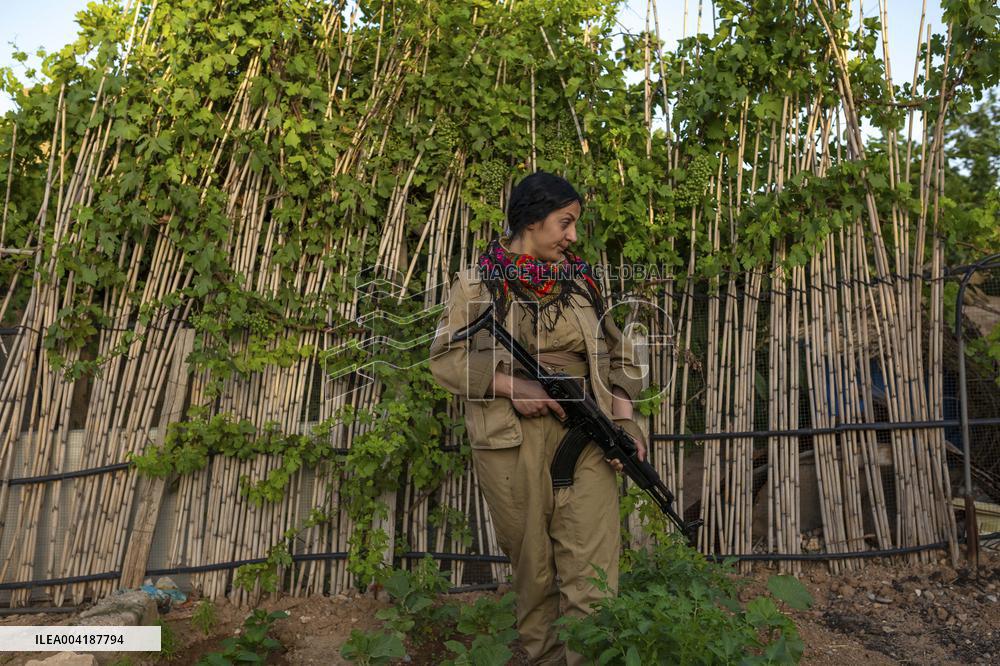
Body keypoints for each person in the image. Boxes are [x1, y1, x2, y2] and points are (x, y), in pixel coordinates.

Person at [428, 170, 648, 665]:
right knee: (534, 573)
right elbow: (444, 359)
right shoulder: (475, 285)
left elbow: (623, 353)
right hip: (511, 442)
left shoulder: (582, 282)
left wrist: (624, 419)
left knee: (593, 577)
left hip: (586, 433)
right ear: (531, 219)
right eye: (565, 223)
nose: (573, 236)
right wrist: (511, 386)